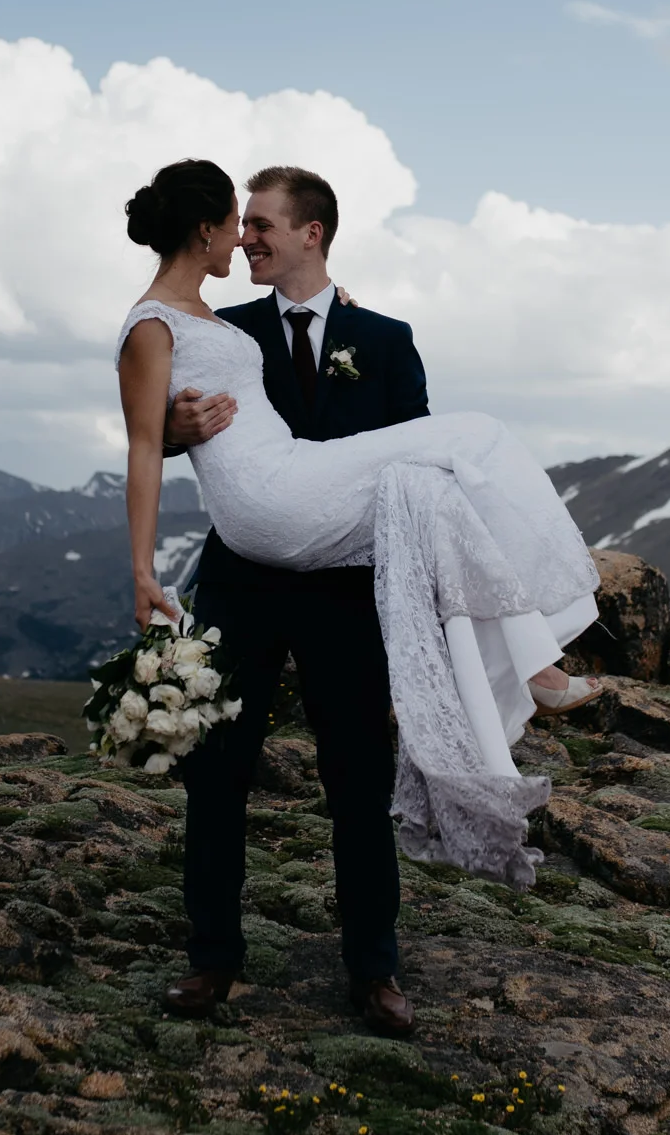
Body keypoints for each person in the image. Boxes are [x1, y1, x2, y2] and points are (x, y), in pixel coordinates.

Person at [116, 159, 603, 1035]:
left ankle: (374, 969)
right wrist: (176, 433)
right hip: (247, 574)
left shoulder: (383, 337)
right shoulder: (216, 323)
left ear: (313, 233)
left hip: (345, 583)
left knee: (357, 778)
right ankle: (211, 959)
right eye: (240, 223)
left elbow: (411, 453)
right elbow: (159, 419)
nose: (249, 237)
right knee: (218, 774)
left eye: (264, 224)